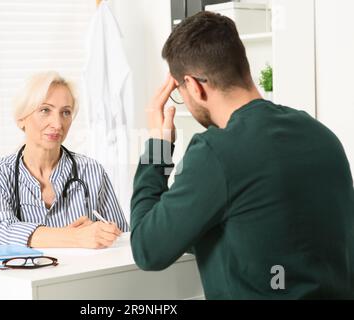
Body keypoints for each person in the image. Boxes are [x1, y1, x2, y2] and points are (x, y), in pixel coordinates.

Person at [130, 11, 354, 299]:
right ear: (242, 65)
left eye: (179, 92)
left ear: (196, 87)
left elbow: (148, 248)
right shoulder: (322, 136)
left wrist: (157, 147)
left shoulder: (216, 152)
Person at [0, 71, 129, 249]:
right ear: (21, 119)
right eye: (45, 110)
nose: (58, 124)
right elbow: (2, 230)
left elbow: (123, 237)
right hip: (27, 277)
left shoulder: (91, 170)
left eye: (66, 112)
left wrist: (108, 233)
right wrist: (76, 237)